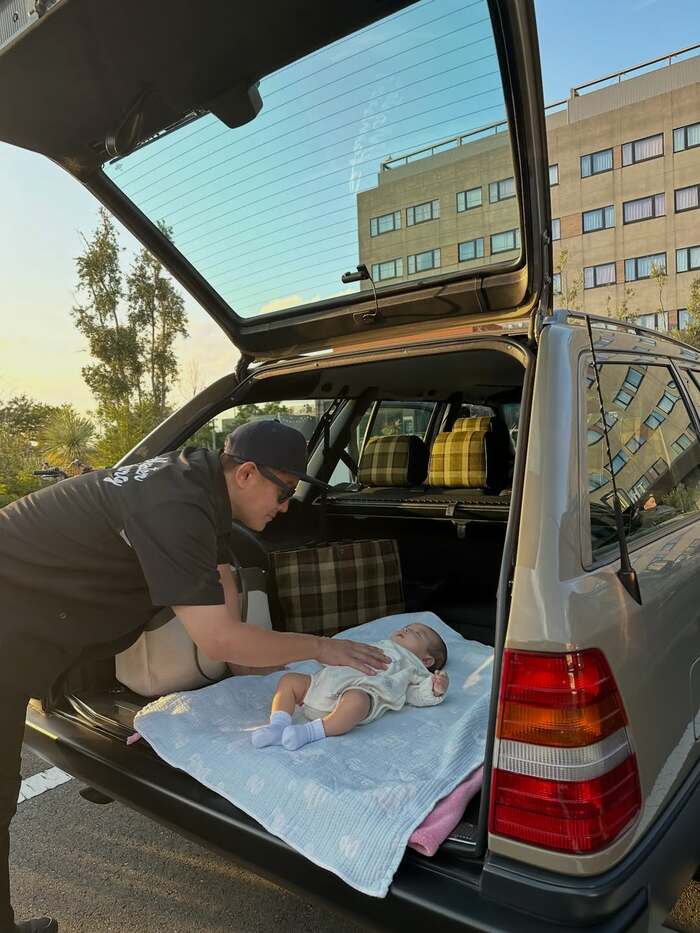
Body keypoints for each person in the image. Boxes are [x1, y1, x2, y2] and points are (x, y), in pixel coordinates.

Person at [0, 419, 390, 933]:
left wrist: (282, 682)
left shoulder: (199, 493)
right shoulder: (177, 506)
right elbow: (220, 640)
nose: (286, 506)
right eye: (285, 491)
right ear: (246, 474)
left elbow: (230, 628)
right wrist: (323, 648)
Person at [252, 621, 449, 751]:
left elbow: (413, 694)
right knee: (289, 681)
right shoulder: (378, 645)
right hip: (322, 685)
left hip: (358, 691)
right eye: (407, 627)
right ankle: (278, 725)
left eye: (417, 633)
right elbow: (341, 653)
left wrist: (434, 689)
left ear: (427, 660)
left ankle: (310, 732)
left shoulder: (413, 667)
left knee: (357, 701)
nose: (406, 629)